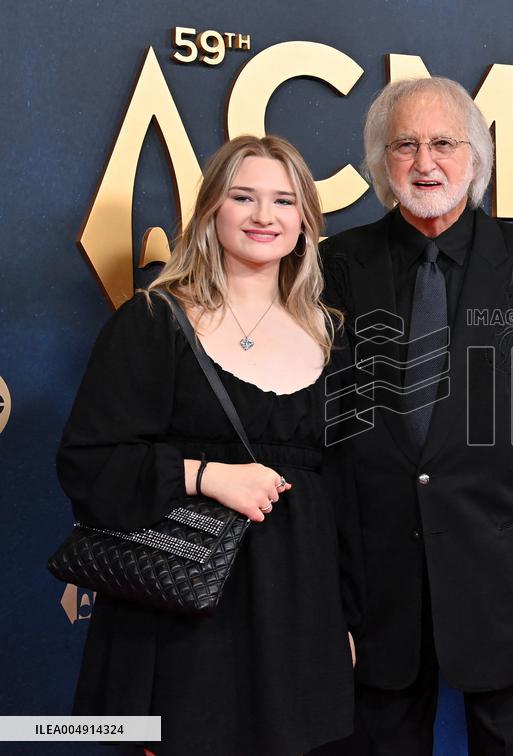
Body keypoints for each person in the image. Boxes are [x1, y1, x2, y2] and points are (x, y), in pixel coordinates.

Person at [56, 135, 357, 755]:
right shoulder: (153, 321)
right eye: (242, 197)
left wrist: (345, 617)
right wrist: (204, 474)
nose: (263, 216)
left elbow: (351, 490)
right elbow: (88, 464)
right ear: (211, 210)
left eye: (283, 200)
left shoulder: (334, 335)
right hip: (181, 611)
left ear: (305, 221)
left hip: (298, 611)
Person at [319, 76, 513, 755]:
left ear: (476, 156)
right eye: (405, 145)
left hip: (504, 573)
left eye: (443, 142)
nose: (425, 162)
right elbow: (321, 431)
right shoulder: (334, 266)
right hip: (377, 580)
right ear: (382, 162)